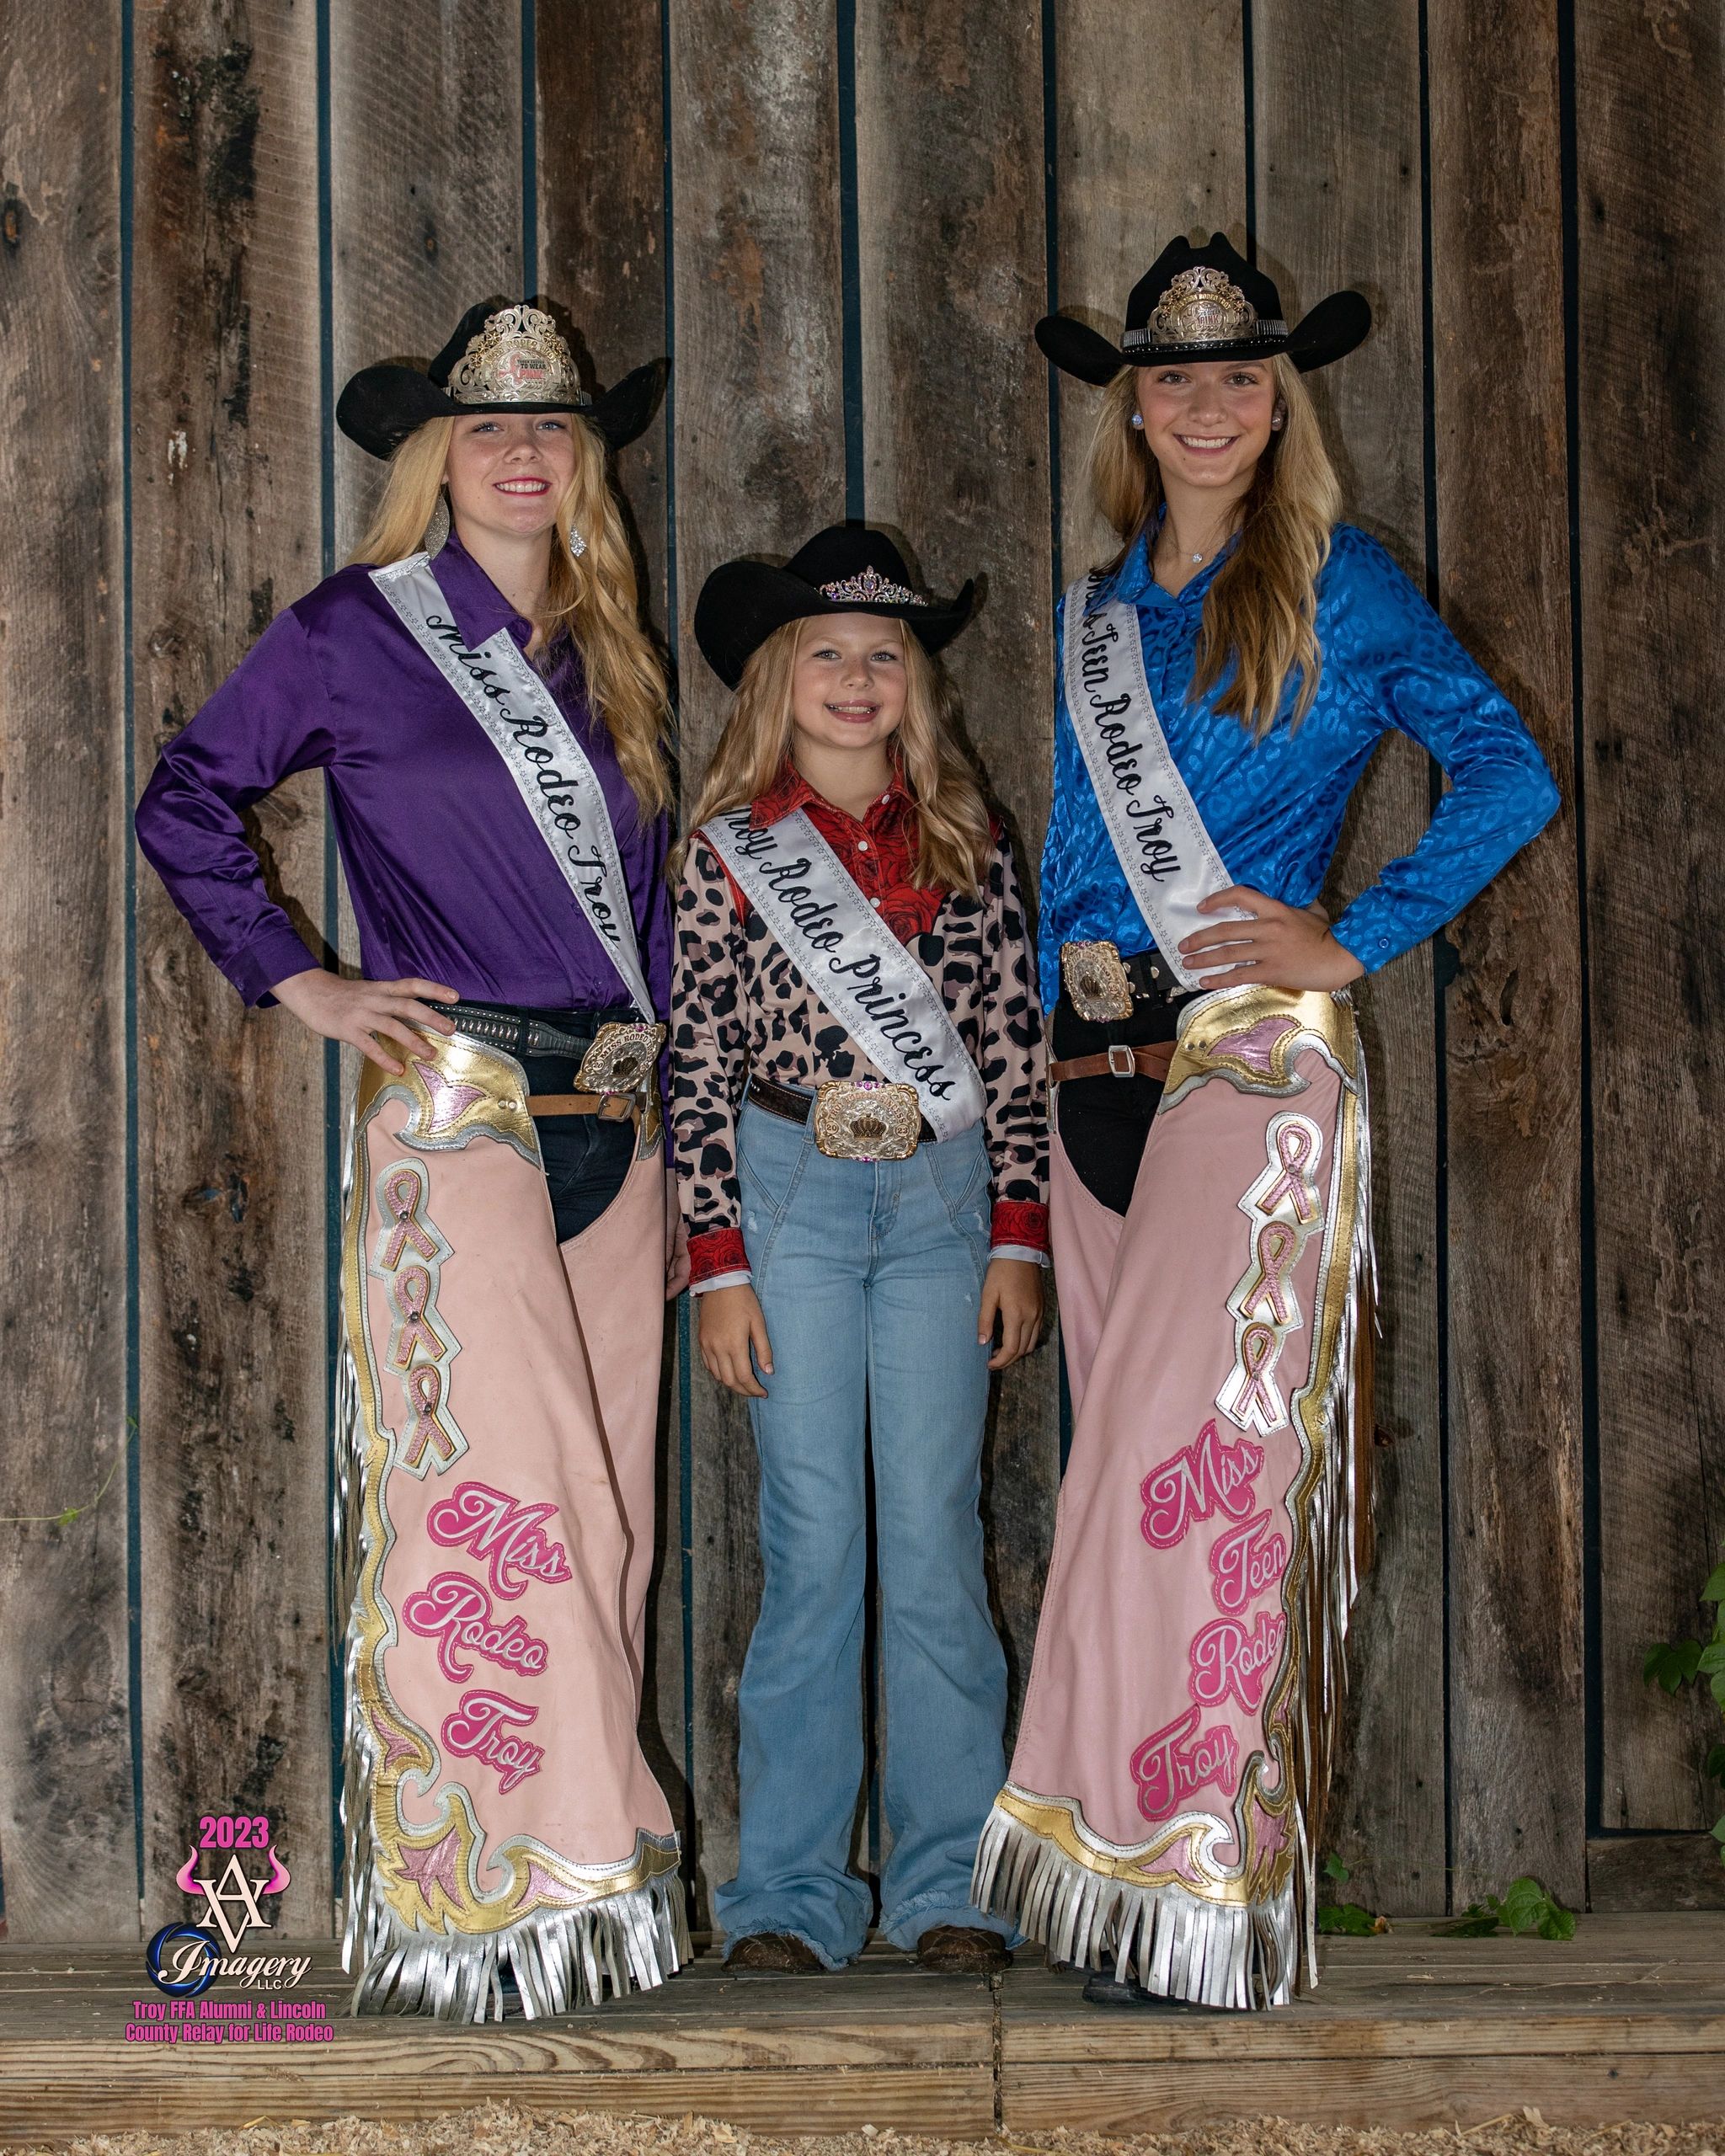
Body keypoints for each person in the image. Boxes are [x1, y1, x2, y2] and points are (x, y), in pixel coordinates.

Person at [971, 235, 1559, 2010]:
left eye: (1237, 377)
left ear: (1276, 400)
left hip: (1248, 1058)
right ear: (1130, 406)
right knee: (1106, 1482)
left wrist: (1350, 934)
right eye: (1172, 377)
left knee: (1201, 1473)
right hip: (1094, 1072)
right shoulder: (1093, 609)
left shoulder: (1345, 580)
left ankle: (1200, 1885)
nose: (1206, 404)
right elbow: (1079, 847)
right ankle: (1102, 1879)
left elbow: (1506, 772)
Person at [135, 302, 690, 2020]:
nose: (523, 451)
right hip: (459, 1102)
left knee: (615, 1511)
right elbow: (185, 798)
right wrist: (298, 973)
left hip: (616, 1103)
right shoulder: (350, 631)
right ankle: (485, 1898)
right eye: (488, 425)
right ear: (435, 455)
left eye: (553, 426)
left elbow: (656, 899)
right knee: (498, 1499)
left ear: (581, 456)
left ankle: (591, 1888)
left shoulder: (617, 640)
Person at [672, 526, 1048, 1976]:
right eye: (825, 651)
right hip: (791, 1199)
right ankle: (788, 1893)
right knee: (814, 1544)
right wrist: (719, 1265)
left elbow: (1014, 1053)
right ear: (778, 678)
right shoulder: (728, 855)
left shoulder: (969, 837)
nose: (854, 676)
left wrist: (1018, 1239)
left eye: (883, 654)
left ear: (917, 683)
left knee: (940, 1544)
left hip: (947, 1202)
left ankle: (951, 1883)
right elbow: (695, 1061)